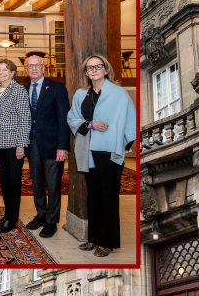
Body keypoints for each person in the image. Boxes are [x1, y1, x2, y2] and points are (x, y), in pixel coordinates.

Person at [67, 54, 136, 257]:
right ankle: (93, 238)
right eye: (90, 68)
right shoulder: (81, 95)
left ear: (106, 69)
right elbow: (72, 118)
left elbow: (130, 120)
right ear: (86, 73)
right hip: (88, 150)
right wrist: (90, 125)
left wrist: (123, 144)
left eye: (98, 66)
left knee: (109, 197)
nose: (94, 70)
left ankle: (108, 241)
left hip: (109, 151)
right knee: (94, 197)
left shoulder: (119, 93)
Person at [24, 55, 71, 239]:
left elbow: (63, 119)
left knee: (53, 185)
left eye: (37, 65)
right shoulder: (24, 89)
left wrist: (62, 146)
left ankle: (52, 221)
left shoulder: (57, 88)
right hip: (32, 143)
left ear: (44, 68)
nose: (34, 68)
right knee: (36, 183)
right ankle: (41, 215)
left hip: (53, 144)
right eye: (30, 66)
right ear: (26, 70)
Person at [0, 59, 31, 233]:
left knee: (13, 183)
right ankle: (7, 214)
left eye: (5, 70)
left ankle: (12, 220)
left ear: (13, 72)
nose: (1, 73)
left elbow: (25, 120)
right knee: (4, 182)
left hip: (14, 144)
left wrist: (21, 145)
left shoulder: (19, 90)